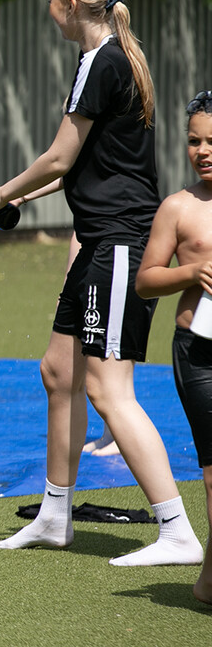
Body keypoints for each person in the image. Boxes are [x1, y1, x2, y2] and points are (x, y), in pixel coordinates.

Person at [0, 0, 201, 566]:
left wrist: (1, 194)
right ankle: (54, 517)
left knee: (107, 388)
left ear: (69, 4)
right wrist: (10, 196)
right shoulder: (101, 58)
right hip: (100, 241)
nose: (49, 12)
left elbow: (58, 156)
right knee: (59, 371)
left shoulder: (103, 61)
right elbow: (84, 164)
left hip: (121, 243)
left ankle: (177, 531)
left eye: (51, 1)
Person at [135, 88, 212, 603]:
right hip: (200, 354)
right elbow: (145, 281)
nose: (202, 151)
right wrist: (192, 271)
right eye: (194, 141)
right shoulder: (178, 207)